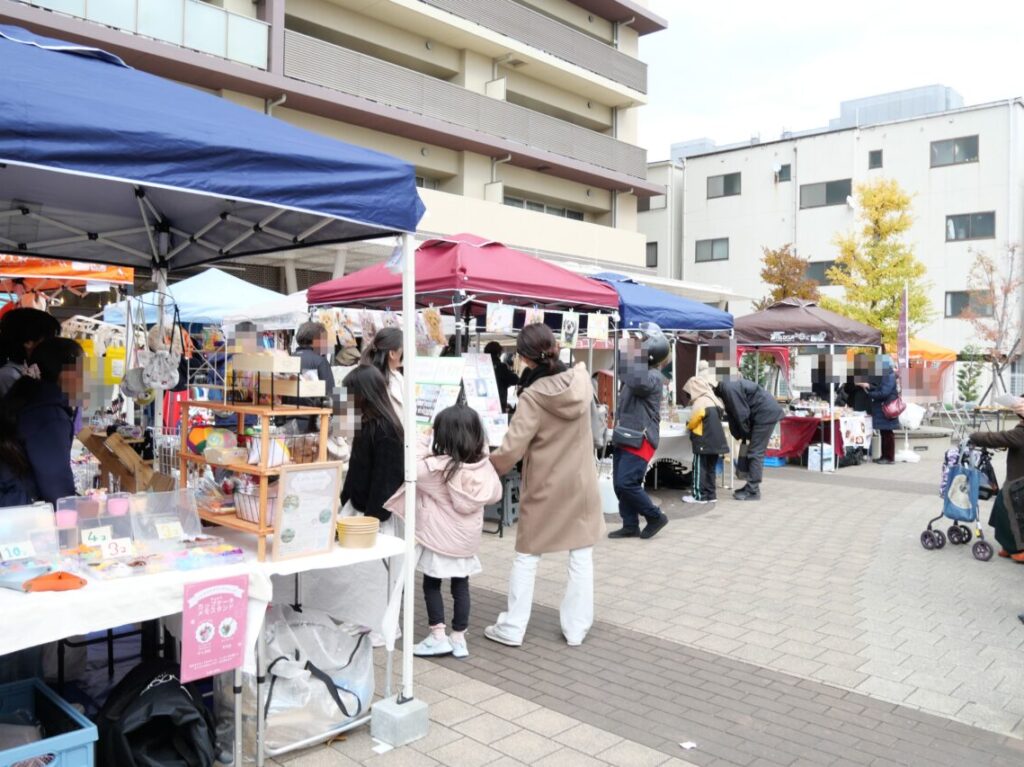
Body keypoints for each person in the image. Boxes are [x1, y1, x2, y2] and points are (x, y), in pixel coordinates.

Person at [485, 323, 603, 647]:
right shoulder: (580, 379)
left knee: (527, 555)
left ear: (524, 357)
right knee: (581, 555)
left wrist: (486, 465)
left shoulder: (533, 397)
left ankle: (513, 627)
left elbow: (512, 449)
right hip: (580, 483)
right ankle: (576, 628)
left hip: (544, 485)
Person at [385, 405, 502, 659]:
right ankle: (459, 638)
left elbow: (410, 468)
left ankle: (438, 635)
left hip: (439, 541)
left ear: (444, 435)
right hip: (466, 542)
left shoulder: (437, 469)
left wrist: (423, 438)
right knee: (461, 586)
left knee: (431, 584)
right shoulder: (482, 467)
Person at [2, 337, 84, 506]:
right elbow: (56, 488)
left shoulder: (33, 398)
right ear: (66, 374)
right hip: (16, 511)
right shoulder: (49, 415)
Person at [608, 323, 671, 539]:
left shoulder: (652, 376)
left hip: (641, 438)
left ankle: (655, 516)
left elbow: (635, 381)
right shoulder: (642, 374)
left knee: (627, 483)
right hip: (626, 435)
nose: (640, 345)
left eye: (643, 343)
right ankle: (630, 524)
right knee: (619, 485)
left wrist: (627, 349)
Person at [339, 365, 403, 521]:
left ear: (363, 395)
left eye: (349, 394)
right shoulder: (367, 424)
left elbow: (385, 484)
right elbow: (354, 470)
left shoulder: (387, 431)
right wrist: (344, 499)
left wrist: (370, 520)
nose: (346, 399)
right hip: (358, 507)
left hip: (373, 518)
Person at [968, 406, 1024, 561]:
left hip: (1018, 482)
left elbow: (997, 438)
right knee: (1001, 507)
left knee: (1013, 513)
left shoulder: (1020, 433)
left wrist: (973, 436)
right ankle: (1008, 546)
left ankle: (1016, 549)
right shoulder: (1020, 431)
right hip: (1015, 479)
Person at [716, 377, 785, 501]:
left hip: (765, 414)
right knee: (754, 452)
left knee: (755, 452)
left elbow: (741, 413)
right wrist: (742, 433)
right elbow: (735, 412)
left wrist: (744, 432)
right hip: (764, 412)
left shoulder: (728, 387)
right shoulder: (727, 385)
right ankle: (750, 486)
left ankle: (753, 490)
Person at [680, 373, 729, 504]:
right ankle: (711, 495)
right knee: (710, 468)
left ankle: (698, 496)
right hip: (717, 442)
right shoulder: (714, 400)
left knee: (699, 468)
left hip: (703, 441)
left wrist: (688, 425)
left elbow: (694, 421)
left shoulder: (700, 401)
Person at [283, 321, 335, 433]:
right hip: (312, 424)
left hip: (287, 420)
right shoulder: (320, 361)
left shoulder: (287, 359)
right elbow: (330, 394)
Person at [0, 308, 61, 398]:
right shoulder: (9, 375)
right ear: (28, 342)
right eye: (50, 338)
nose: (54, 344)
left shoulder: (25, 368)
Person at [863, 355, 899, 464]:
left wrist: (870, 394)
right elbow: (880, 388)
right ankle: (884, 456)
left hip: (886, 408)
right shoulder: (886, 374)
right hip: (885, 407)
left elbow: (884, 392)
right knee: (885, 432)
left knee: (887, 433)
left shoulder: (888, 375)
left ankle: (889, 458)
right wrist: (869, 386)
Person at [362, 328, 403, 420]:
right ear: (392, 354)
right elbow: (343, 426)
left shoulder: (399, 378)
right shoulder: (399, 380)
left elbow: (342, 427)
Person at [484, 341, 519, 413]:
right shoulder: (501, 367)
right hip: (498, 403)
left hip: (483, 402)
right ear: (498, 353)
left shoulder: (482, 365)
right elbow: (514, 380)